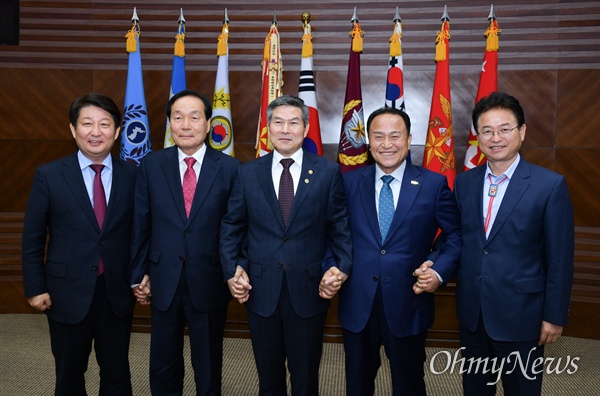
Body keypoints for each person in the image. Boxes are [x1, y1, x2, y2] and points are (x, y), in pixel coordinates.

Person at [219, 95, 353, 396]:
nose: (285, 129)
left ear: (305, 129)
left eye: (294, 122)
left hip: (308, 290)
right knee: (268, 378)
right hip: (260, 290)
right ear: (267, 128)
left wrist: (341, 267)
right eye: (278, 122)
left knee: (305, 377)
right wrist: (231, 269)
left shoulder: (327, 172)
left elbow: (339, 227)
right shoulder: (248, 172)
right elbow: (232, 227)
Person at [333, 107, 462, 395]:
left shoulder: (433, 184)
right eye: (378, 136)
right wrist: (331, 266)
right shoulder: (349, 182)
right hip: (358, 303)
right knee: (357, 384)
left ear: (409, 138)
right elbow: (333, 233)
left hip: (409, 301)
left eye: (395, 135)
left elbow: (455, 235)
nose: (387, 144)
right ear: (368, 141)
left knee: (409, 384)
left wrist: (438, 269)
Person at [454, 91, 574, 395]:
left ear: (521, 131)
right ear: (478, 137)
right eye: (487, 130)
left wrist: (554, 316)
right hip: (474, 315)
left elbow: (560, 258)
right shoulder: (465, 183)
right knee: (475, 389)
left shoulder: (549, 185)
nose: (496, 138)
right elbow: (463, 240)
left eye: (504, 129)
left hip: (523, 315)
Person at [21, 92, 137, 395]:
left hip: (116, 292)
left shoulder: (133, 175)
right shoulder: (49, 175)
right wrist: (35, 287)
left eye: (104, 124)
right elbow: (33, 237)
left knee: (117, 373)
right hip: (65, 293)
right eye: (87, 123)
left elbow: (141, 234)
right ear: (73, 129)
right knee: (69, 374)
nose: (95, 132)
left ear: (118, 131)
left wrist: (140, 277)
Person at [129, 89, 240, 395]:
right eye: (177, 117)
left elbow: (237, 227)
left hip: (210, 278)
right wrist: (139, 274)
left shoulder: (231, 169)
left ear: (208, 124)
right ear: (169, 124)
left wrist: (235, 270)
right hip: (163, 278)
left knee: (207, 364)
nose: (186, 125)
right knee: (163, 363)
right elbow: (142, 223)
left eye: (194, 117)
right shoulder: (152, 165)